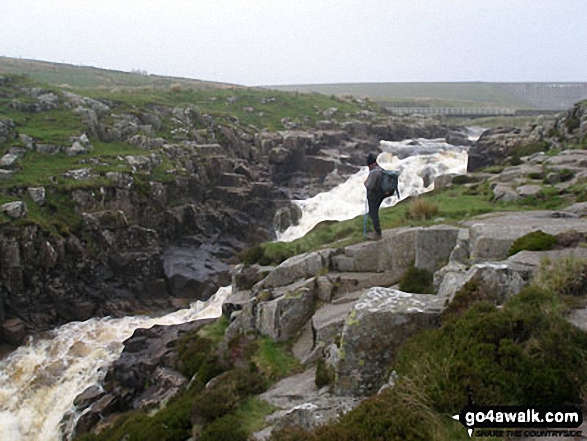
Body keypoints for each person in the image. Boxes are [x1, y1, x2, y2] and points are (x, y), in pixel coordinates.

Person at [364, 152, 385, 240]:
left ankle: (377, 233)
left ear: (371, 164)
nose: (369, 168)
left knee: (373, 214)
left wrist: (365, 183)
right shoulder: (381, 169)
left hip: (374, 196)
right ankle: (373, 230)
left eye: (369, 166)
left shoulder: (374, 173)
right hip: (381, 195)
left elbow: (370, 185)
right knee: (373, 213)